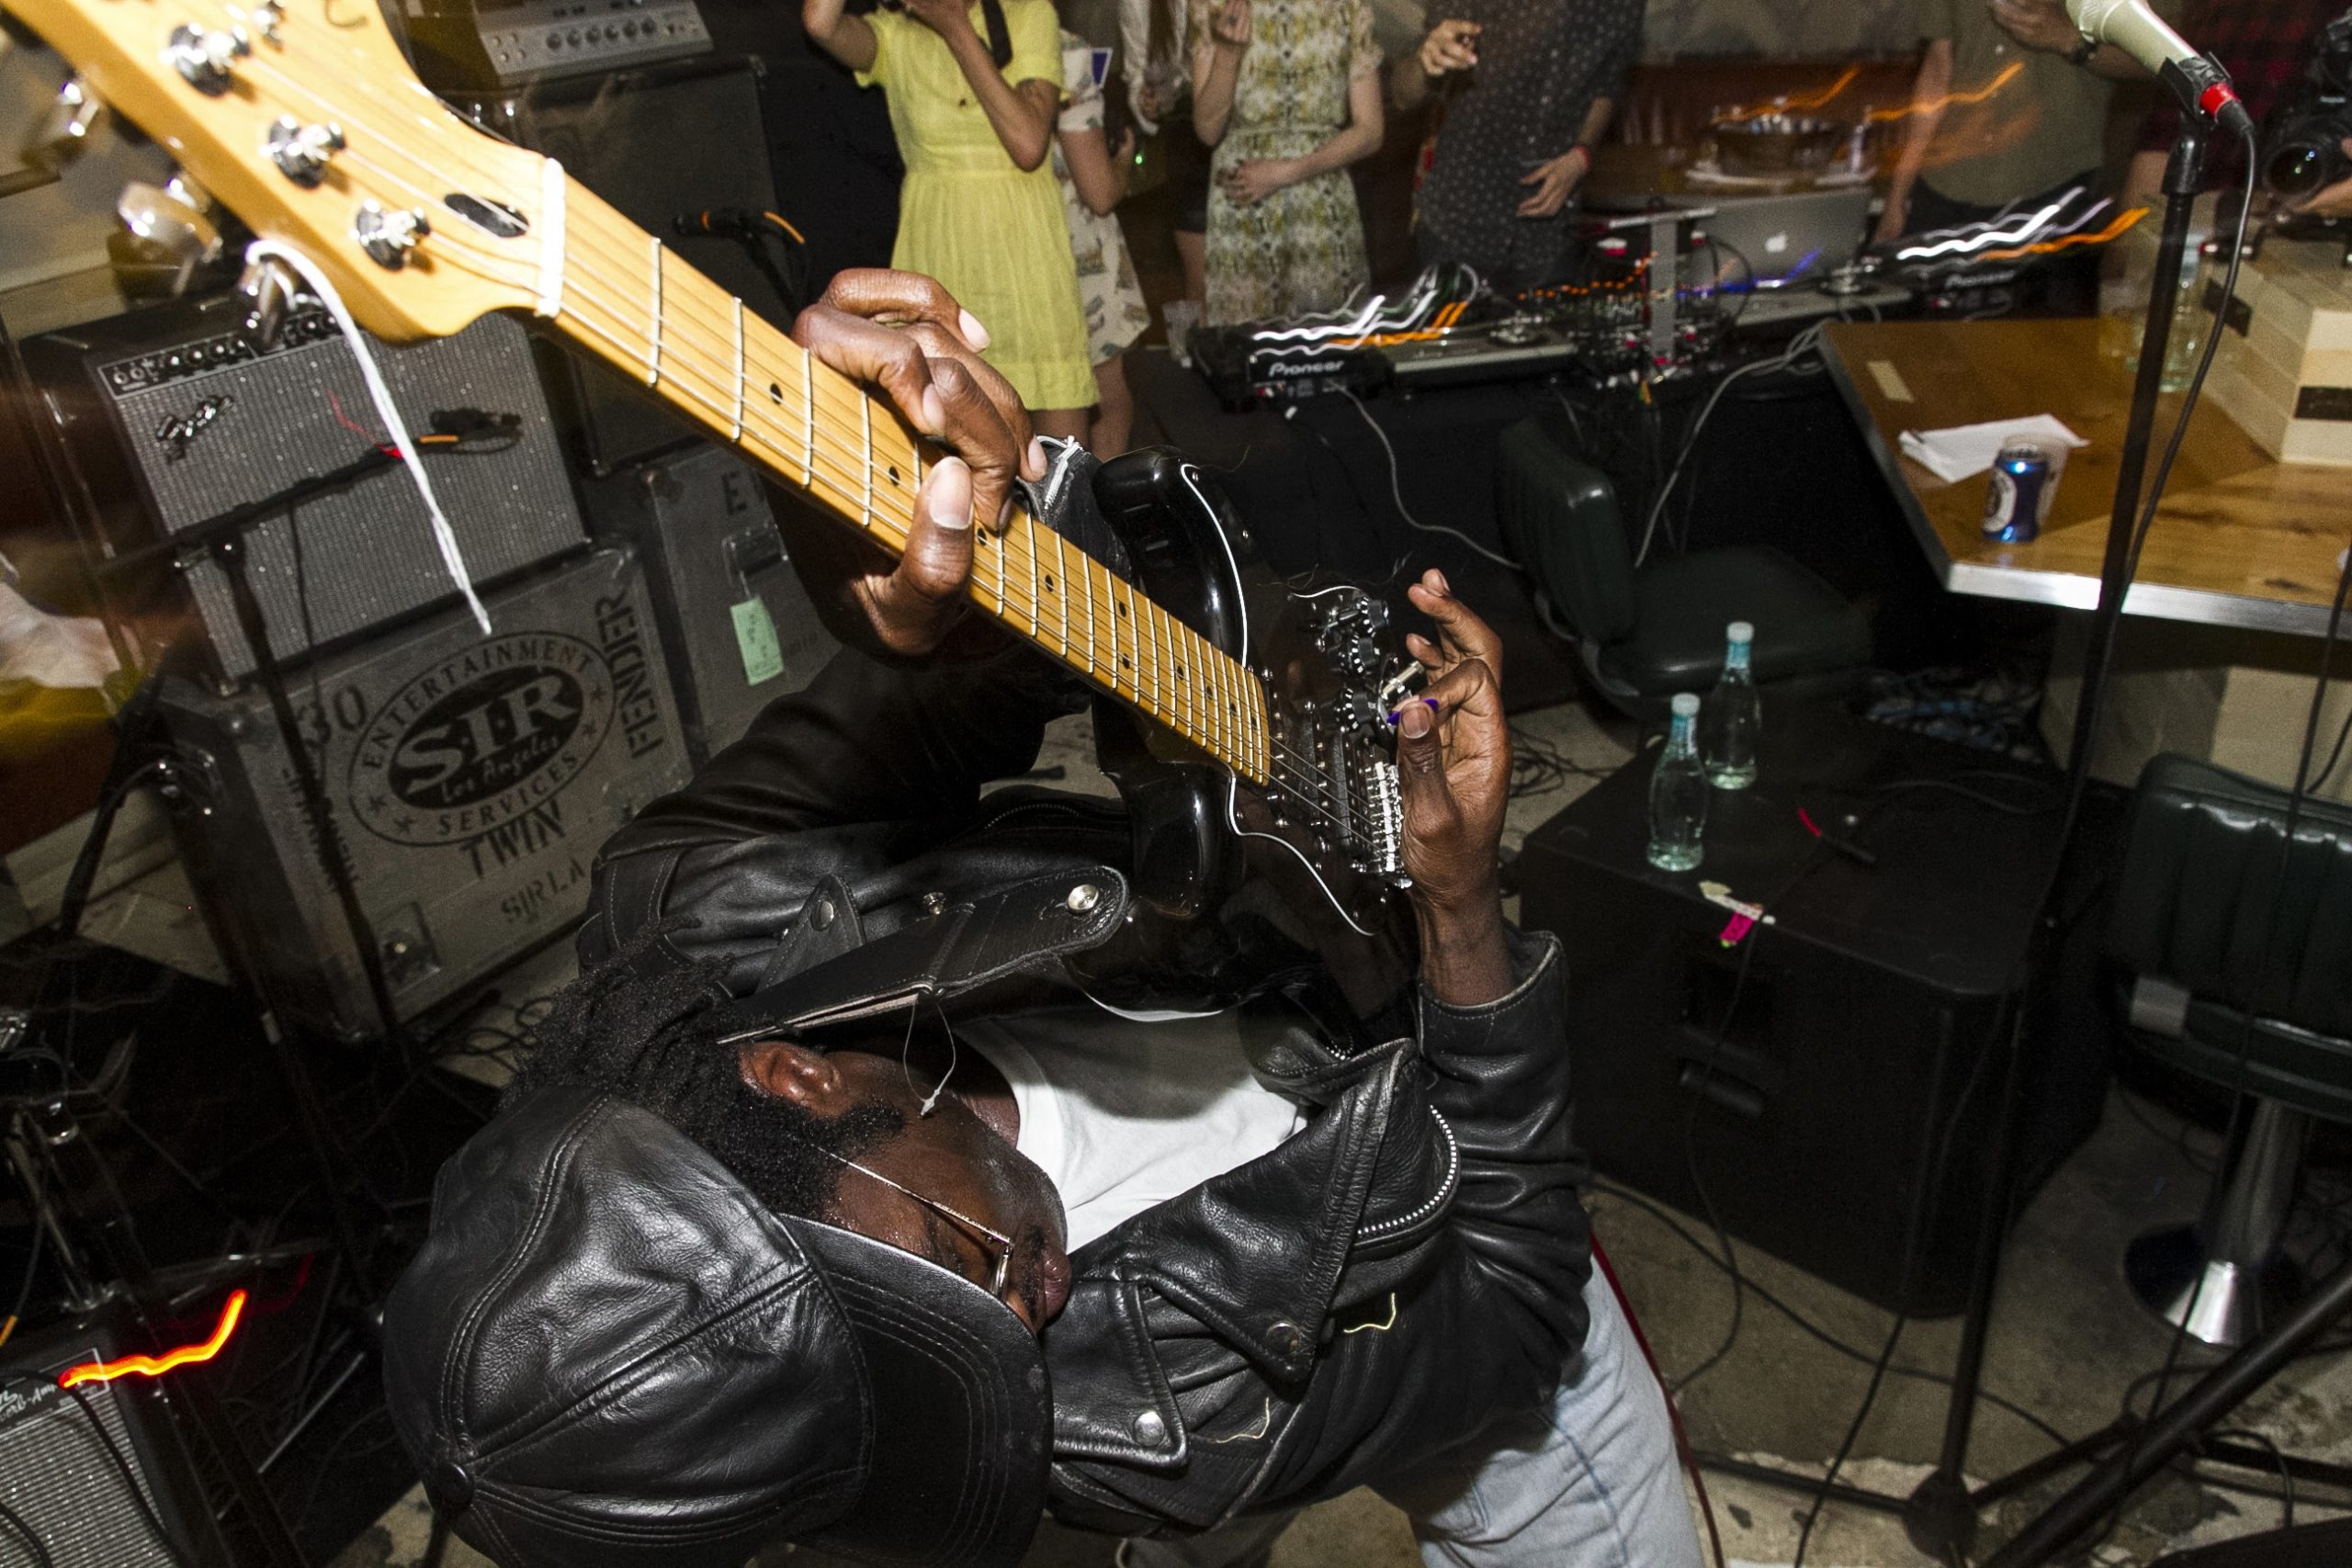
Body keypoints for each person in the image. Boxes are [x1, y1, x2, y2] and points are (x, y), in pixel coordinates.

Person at [380, 268, 1702, 1568]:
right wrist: (1465, 916)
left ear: (795, 1077)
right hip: (1308, 1340)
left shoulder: (703, 890)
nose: (1032, 1312)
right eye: (935, 1389)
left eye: (956, 1267)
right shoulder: (1138, 1418)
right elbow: (1520, 1301)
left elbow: (962, 683)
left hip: (1309, 1227)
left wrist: (939, 553)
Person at [804, 0, 1098, 441]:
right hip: (938, 257)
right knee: (954, 464)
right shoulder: (895, 34)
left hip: (1026, 260)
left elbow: (1028, 144)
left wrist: (955, 27)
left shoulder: (1029, 13)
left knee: (1061, 461)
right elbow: (819, 22)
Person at [1389, 1, 1643, 291]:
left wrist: (1581, 155)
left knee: (1559, 337)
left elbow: (1605, 88)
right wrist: (1425, 61)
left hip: (1550, 238)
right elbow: (1402, 94)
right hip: (1458, 225)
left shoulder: (1624, 6)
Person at [1189, 0, 1385, 324]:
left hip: (1321, 209)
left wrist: (1288, 172)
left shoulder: (1348, 6)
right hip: (1242, 204)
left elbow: (1371, 130)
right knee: (1247, 357)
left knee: (1329, 356)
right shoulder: (1212, 4)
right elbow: (1207, 130)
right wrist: (1227, 56)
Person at [1052, 29, 1151, 455]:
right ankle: (1098, 519)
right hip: (1078, 244)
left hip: (992, 241)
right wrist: (1124, 163)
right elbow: (1101, 193)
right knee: (1110, 398)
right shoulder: (1061, 49)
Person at [1122, 0, 1213, 304]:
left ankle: (1249, 350)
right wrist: (1146, 102)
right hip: (1186, 134)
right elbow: (1136, 75)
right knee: (1194, 282)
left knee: (1242, 277)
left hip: (1241, 124)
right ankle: (1185, 352)